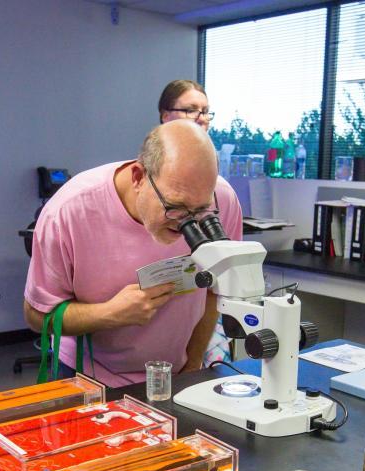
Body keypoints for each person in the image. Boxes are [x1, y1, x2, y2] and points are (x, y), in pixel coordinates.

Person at [23, 119, 243, 386]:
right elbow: (36, 315)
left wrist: (193, 362)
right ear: (139, 177)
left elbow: (213, 291)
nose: (187, 223)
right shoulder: (68, 211)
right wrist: (110, 313)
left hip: (176, 370)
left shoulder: (222, 200)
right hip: (86, 373)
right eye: (175, 207)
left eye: (199, 210)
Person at [157, 79, 235, 366]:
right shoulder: (148, 181)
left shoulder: (223, 193)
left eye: (205, 111)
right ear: (165, 116)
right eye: (191, 110)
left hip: (196, 316)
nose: (201, 118)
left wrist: (193, 360)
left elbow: (221, 281)